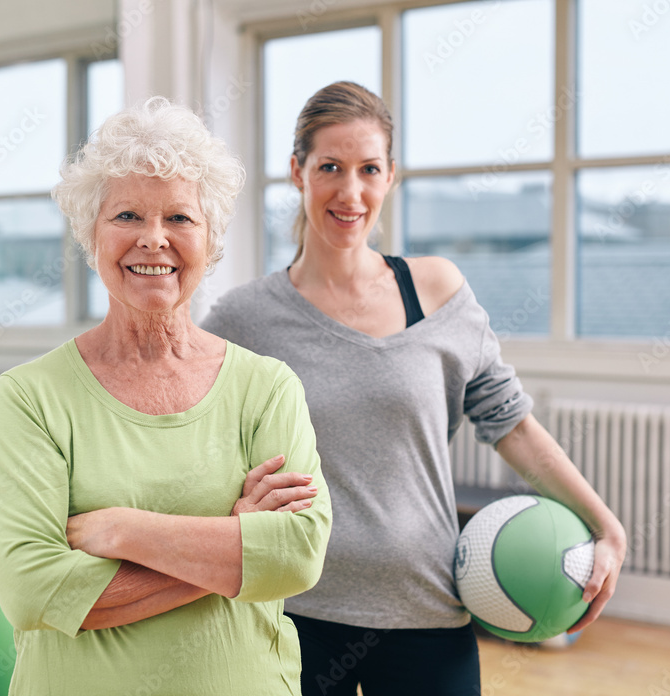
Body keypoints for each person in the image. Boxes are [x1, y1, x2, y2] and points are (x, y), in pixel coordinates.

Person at [202, 81, 627, 696]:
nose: (351, 192)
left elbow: (511, 424)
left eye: (369, 169)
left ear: (391, 176)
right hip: (292, 615)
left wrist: (605, 524)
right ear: (297, 172)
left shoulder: (438, 292)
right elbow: (190, 430)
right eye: (330, 168)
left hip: (427, 608)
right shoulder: (245, 318)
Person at [0, 97, 332, 695]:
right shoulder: (29, 397)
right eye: (126, 216)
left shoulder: (266, 387)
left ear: (211, 238)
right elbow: (33, 591)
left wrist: (124, 531)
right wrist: (233, 539)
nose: (153, 239)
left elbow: (296, 555)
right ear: (91, 235)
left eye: (179, 218)